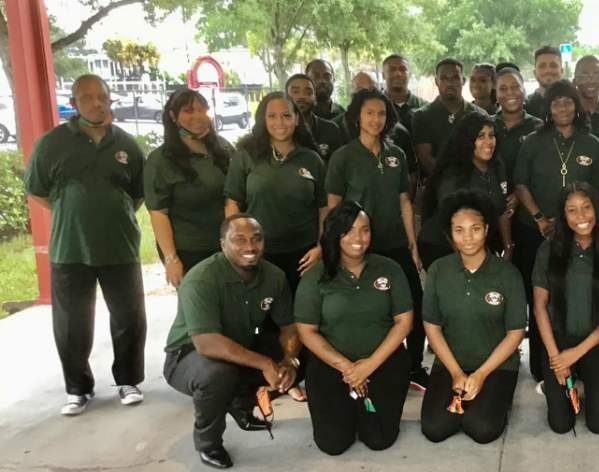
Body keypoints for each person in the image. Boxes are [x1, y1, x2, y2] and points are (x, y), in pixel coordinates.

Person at [23, 74, 147, 415]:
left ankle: (128, 380)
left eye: (102, 97)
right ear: (74, 103)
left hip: (119, 245)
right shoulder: (51, 143)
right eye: (87, 97)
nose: (96, 103)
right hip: (70, 247)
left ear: (109, 100)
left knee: (128, 317)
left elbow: (137, 193)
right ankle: (78, 388)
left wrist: (112, 212)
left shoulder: (126, 144)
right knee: (71, 323)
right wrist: (70, 210)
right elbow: (36, 189)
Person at [164, 214, 301, 469]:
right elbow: (206, 343)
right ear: (223, 244)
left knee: (306, 355)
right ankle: (209, 444)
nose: (250, 247)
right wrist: (265, 363)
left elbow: (289, 327)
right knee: (217, 375)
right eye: (239, 240)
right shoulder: (201, 279)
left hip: (238, 345)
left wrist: (289, 361)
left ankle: (242, 407)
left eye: (256, 239)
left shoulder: (274, 276)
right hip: (188, 356)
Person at [224, 91, 326, 402]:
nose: (279, 122)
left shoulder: (311, 158)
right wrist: (236, 247)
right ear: (262, 120)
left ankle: (302, 372)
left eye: (286, 115)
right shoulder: (246, 155)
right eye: (272, 116)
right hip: (260, 254)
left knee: (304, 315)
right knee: (269, 319)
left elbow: (324, 208)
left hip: (304, 254)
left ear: (297, 120)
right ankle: (277, 377)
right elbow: (233, 203)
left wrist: (321, 246)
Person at [326, 87, 428, 390]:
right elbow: (333, 206)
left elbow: (405, 202)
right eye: (369, 113)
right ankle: (366, 366)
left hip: (395, 243)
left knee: (415, 303)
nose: (376, 119)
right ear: (357, 117)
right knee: (368, 308)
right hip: (357, 247)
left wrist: (412, 246)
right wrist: (332, 245)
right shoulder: (343, 157)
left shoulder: (396, 154)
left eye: (382, 113)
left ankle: (414, 366)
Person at [295, 202, 414, 455]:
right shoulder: (316, 275)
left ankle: (362, 405)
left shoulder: (390, 268)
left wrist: (368, 366)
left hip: (383, 362)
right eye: (348, 231)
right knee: (333, 444)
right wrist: (348, 369)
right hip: (331, 366)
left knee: (379, 439)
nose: (358, 238)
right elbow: (306, 331)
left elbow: (404, 322)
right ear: (334, 234)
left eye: (364, 230)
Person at [514, 79, 599, 381]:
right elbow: (521, 184)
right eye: (556, 102)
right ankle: (543, 366)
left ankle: (580, 361)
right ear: (548, 108)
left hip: (580, 231)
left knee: (577, 294)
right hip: (535, 231)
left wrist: (571, 222)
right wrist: (541, 218)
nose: (562, 107)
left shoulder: (592, 143)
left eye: (568, 101)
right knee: (540, 299)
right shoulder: (533, 141)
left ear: (577, 106)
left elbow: (597, 191)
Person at [420, 190, 527, 444]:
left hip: (496, 365)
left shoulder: (508, 274)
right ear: (450, 233)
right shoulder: (438, 270)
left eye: (475, 229)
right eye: (459, 230)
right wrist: (456, 372)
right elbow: (432, 326)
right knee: (435, 429)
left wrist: (480, 374)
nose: (468, 237)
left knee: (482, 429)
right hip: (450, 362)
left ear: (486, 229)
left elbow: (515, 332)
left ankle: (496, 397)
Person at [532, 182, 599, 434]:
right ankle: (555, 385)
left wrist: (575, 354)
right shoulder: (548, 249)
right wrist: (556, 358)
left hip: (596, 340)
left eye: (587, 207)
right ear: (563, 215)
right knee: (561, 425)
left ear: (597, 210)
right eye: (572, 210)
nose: (581, 216)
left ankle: (588, 382)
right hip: (557, 340)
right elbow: (539, 306)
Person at [145, 88, 234, 288]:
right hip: (189, 250)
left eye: (202, 109)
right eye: (188, 110)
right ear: (173, 116)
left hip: (226, 247)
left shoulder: (223, 148)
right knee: (198, 303)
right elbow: (158, 213)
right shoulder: (161, 160)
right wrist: (171, 259)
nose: (198, 116)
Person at [419, 112, 514, 269]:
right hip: (442, 245)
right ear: (467, 140)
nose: (488, 141)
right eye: (480, 136)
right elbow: (448, 222)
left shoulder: (497, 166)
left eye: (491, 136)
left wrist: (508, 247)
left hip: (477, 243)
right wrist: (466, 263)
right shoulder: (454, 175)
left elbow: (502, 211)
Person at [411, 58, 486, 177]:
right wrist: (450, 182)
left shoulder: (480, 115)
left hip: (475, 182)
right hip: (437, 184)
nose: (450, 83)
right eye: (443, 78)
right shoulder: (422, 116)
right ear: (436, 82)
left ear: (463, 81)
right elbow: (425, 159)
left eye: (455, 78)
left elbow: (484, 154)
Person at [350, 72, 418, 195]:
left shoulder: (399, 134)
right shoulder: (338, 129)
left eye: (372, 90)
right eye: (360, 91)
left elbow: (411, 175)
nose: (367, 96)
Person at [493, 66, 543, 189]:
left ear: (524, 91)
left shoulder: (539, 127)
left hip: (529, 196)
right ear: (496, 95)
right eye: (503, 89)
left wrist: (521, 193)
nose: (509, 92)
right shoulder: (485, 125)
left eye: (515, 87)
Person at [286, 73, 345, 162]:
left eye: (308, 93)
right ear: (285, 97)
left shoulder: (331, 130)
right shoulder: (279, 130)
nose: (302, 97)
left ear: (315, 99)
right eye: (295, 92)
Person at [382, 54, 429, 131]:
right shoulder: (374, 107)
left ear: (409, 75)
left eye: (403, 69)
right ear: (383, 75)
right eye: (392, 70)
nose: (398, 74)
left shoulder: (424, 108)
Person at [525, 45, 564, 118]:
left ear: (561, 71)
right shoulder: (524, 107)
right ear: (535, 73)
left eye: (553, 65)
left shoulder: (573, 105)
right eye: (542, 66)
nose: (548, 70)